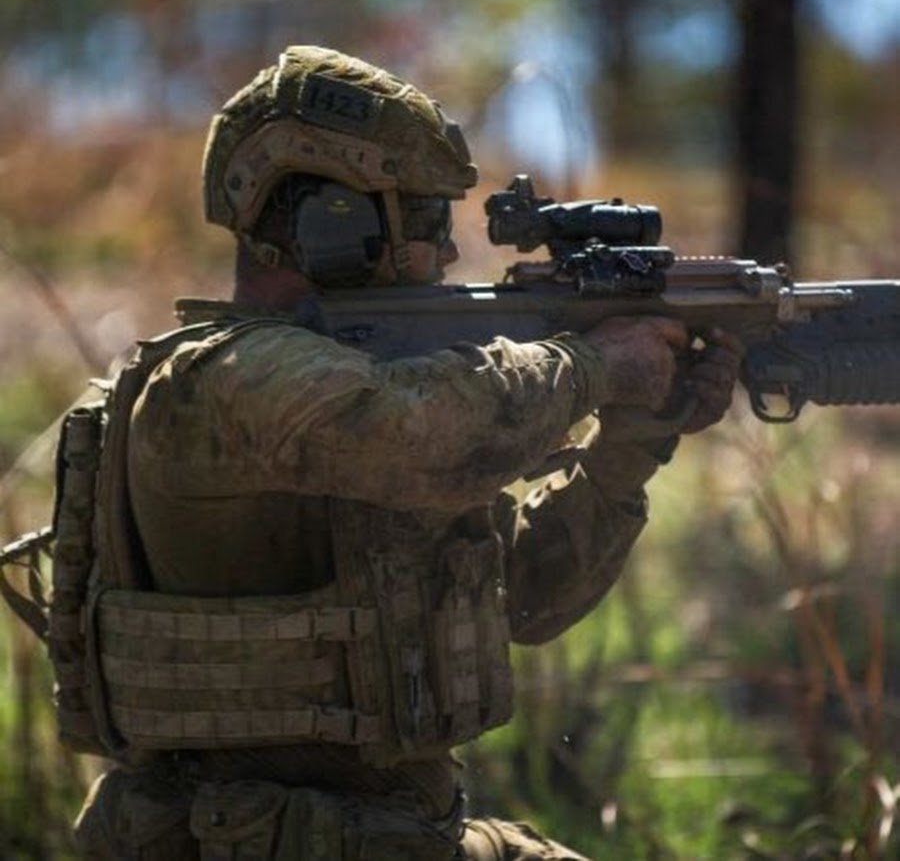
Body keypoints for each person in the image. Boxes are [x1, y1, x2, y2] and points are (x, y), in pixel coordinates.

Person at [73, 45, 742, 859]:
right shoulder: (220, 383)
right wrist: (595, 367)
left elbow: (531, 598)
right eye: (427, 220)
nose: (449, 254)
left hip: (387, 835)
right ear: (333, 222)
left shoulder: (361, 403)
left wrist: (631, 442)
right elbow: (416, 434)